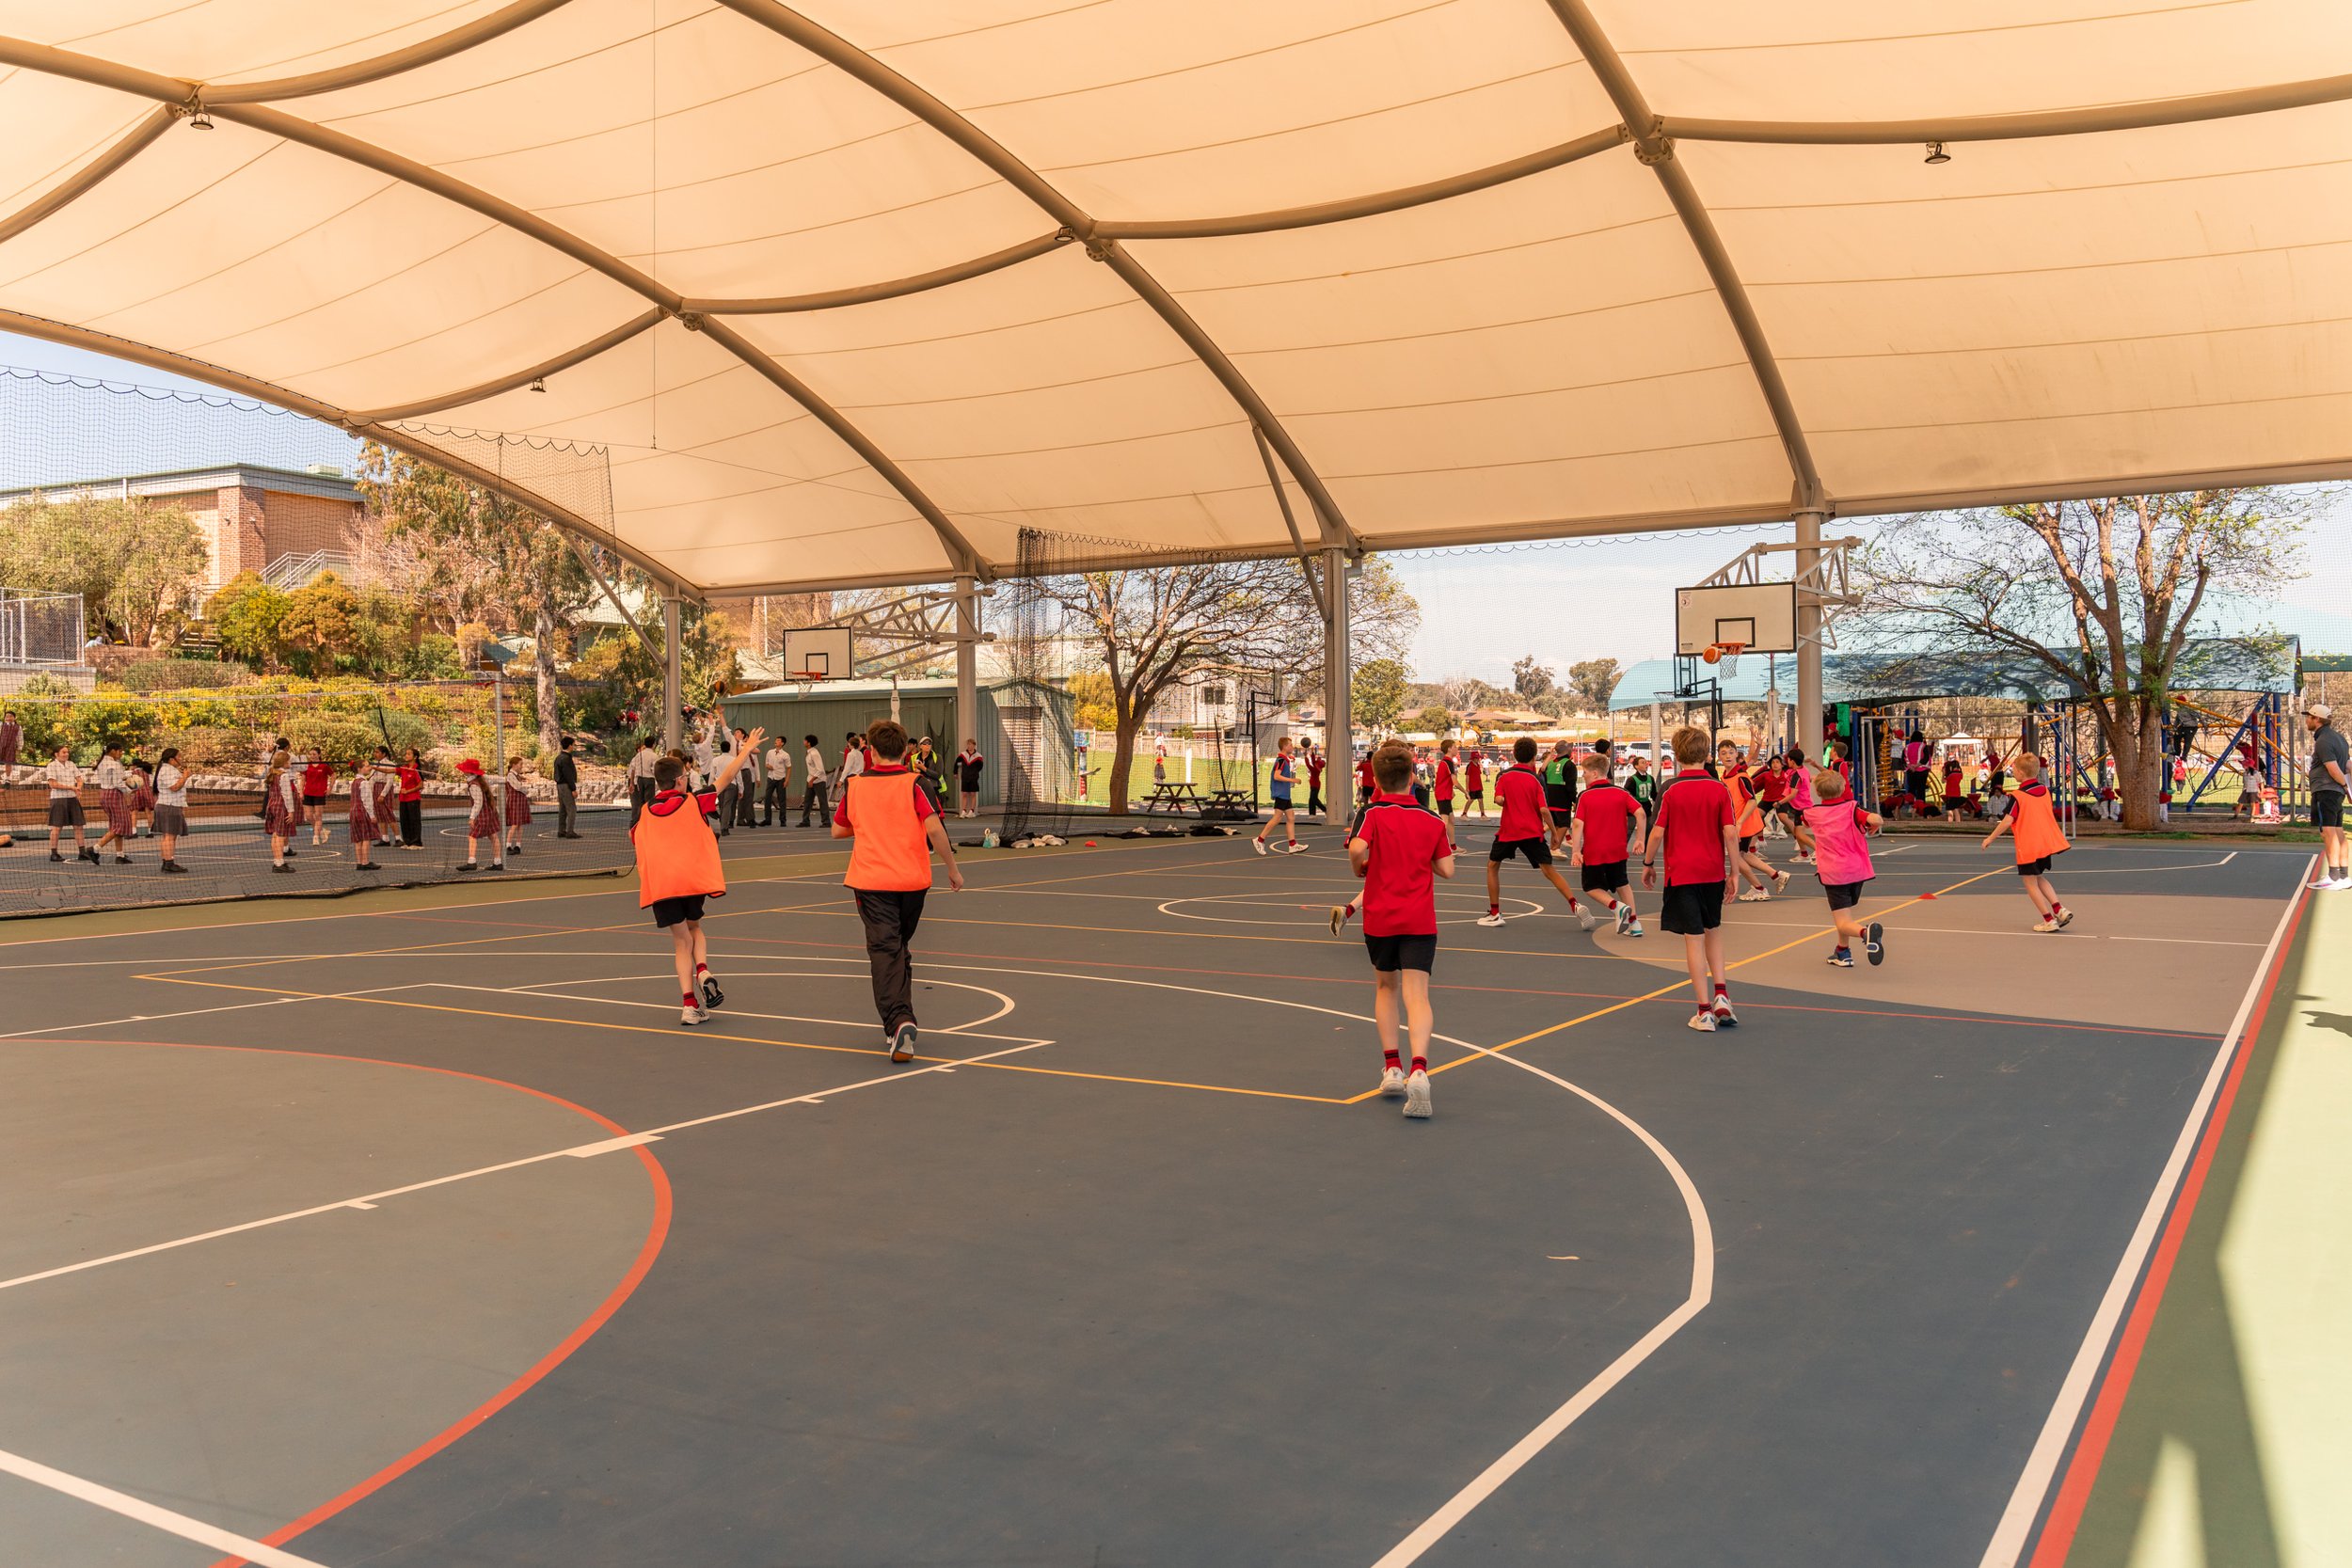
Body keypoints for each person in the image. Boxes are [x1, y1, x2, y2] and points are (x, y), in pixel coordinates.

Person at [833, 717, 964, 1061]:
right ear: (905, 751)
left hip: (872, 882)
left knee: (885, 951)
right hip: (913, 882)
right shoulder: (917, 784)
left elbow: (838, 830)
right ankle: (901, 1015)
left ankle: (898, 1021)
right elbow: (934, 830)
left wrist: (869, 826)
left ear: (871, 751)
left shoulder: (856, 785)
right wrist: (952, 869)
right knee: (898, 948)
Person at [1342, 739, 1454, 1120]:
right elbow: (1448, 869)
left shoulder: (1371, 814)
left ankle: (1392, 1068)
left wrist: (1361, 865)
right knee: (1417, 996)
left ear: (1376, 776)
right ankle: (1420, 1069)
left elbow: (1356, 849)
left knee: (1385, 988)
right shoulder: (1431, 820)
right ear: (1411, 777)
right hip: (1419, 918)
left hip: (1381, 917)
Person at [634, 726, 764, 1026]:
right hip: (691, 881)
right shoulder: (694, 800)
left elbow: (637, 839)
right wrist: (744, 749)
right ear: (681, 780)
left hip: (663, 886)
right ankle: (703, 969)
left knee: (681, 941)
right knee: (696, 928)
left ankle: (689, 1005)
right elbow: (726, 778)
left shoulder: (645, 812)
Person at [1643, 726, 1740, 1032]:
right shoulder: (1719, 789)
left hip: (1682, 874)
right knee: (1714, 931)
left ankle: (1704, 1011)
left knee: (1693, 941)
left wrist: (1648, 863)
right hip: (1712, 873)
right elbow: (1730, 833)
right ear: (1708, 754)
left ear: (1677, 754)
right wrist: (1735, 872)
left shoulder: (1670, 790)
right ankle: (1722, 995)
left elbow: (1657, 832)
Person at [1479, 735, 1592, 929]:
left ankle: (1495, 912)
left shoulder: (1505, 776)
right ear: (1534, 758)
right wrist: (1555, 834)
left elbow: (1498, 800)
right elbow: (1544, 810)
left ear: (1514, 754)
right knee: (1549, 870)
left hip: (1509, 831)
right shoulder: (1536, 780)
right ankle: (1575, 904)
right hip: (1532, 831)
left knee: (1492, 866)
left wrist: (1508, 801)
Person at [1804, 764, 1884, 967]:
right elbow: (1876, 818)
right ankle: (1843, 952)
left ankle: (1866, 934)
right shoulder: (1852, 809)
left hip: (1834, 873)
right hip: (1858, 870)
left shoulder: (1812, 813)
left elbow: (1802, 822)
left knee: (1843, 921)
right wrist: (1874, 823)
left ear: (1819, 792)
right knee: (1845, 913)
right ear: (1842, 789)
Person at [1982, 752, 2074, 929]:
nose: (2013, 772)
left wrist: (1990, 838)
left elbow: (2008, 820)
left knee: (2030, 883)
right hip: (2044, 844)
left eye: (2014, 769)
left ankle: (2048, 920)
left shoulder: (2018, 796)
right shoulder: (2045, 791)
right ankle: (2059, 908)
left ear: (2021, 773)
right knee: (2039, 877)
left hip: (2029, 846)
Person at [1568, 752, 1645, 936]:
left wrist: (1576, 851)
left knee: (1591, 887)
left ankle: (1616, 907)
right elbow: (1641, 813)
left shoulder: (1585, 796)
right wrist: (1640, 839)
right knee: (1622, 884)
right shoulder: (1621, 793)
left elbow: (1578, 824)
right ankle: (1634, 924)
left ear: (1594, 773)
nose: (1583, 775)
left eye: (1585, 772)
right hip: (1618, 849)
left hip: (1595, 850)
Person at [1720, 739, 1786, 902]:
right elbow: (1751, 757)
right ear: (1719, 757)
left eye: (1730, 752)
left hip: (1742, 823)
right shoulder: (1728, 775)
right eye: (1723, 753)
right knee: (1744, 855)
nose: (1728, 756)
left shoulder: (1741, 777)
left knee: (1736, 857)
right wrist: (1754, 742)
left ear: (1736, 754)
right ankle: (1776, 875)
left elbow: (1751, 801)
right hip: (1739, 822)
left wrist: (1740, 822)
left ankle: (1759, 888)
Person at [2306, 703, 2349, 887]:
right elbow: (2348, 766)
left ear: (2317, 719)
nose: (2307, 720)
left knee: (2328, 832)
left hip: (2326, 791)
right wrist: (2347, 789)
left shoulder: (2323, 740)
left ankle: (2333, 877)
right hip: (2335, 792)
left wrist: (2344, 786)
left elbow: (2333, 769)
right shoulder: (2340, 739)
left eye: (2309, 717)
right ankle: (2344, 876)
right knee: (2338, 832)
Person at [1254, 734, 1304, 854]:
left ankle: (1292, 844)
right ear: (1285, 747)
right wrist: (1293, 780)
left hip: (1285, 794)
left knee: (1291, 817)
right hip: (1281, 793)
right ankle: (1259, 840)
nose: (1292, 747)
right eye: (1290, 745)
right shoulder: (1281, 760)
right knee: (1277, 818)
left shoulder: (1285, 760)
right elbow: (1276, 776)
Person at [456, 758, 502, 871]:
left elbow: (478, 802)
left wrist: (472, 817)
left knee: (472, 836)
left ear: (468, 771)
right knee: (493, 835)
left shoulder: (474, 785)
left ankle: (472, 861)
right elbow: (494, 778)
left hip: (483, 814)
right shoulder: (481, 779)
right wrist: (506, 779)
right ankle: (498, 862)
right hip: (490, 812)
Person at [92, 741, 134, 864]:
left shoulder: (103, 762)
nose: (121, 754)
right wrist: (131, 790)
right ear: (113, 751)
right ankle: (94, 849)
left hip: (105, 794)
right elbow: (117, 783)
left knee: (116, 823)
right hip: (113, 794)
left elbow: (115, 779)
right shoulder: (113, 764)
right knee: (120, 825)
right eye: (120, 751)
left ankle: (119, 855)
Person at [262, 748, 299, 874]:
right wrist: (291, 811)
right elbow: (287, 795)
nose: (291, 763)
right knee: (281, 835)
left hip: (272, 806)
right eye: (289, 761)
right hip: (280, 807)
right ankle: (279, 863)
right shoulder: (283, 776)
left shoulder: (273, 774)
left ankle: (277, 862)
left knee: (275, 835)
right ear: (284, 762)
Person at [152, 747, 190, 874]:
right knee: (169, 836)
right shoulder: (167, 770)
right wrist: (185, 776)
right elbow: (174, 787)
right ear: (171, 759)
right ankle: (169, 863)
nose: (181, 759)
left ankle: (167, 862)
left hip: (169, 805)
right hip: (169, 806)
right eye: (178, 757)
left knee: (168, 836)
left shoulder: (167, 769)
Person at [1539, 739, 1578, 850]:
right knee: (1564, 824)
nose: (1572, 749)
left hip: (1550, 798)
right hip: (1562, 799)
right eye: (1570, 748)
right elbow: (1571, 785)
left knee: (1555, 825)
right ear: (1567, 750)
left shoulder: (1551, 763)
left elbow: (1543, 775)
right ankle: (1555, 849)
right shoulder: (1569, 764)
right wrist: (1574, 800)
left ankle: (1553, 847)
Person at [347, 757, 384, 871]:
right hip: (363, 812)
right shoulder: (364, 783)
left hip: (353, 812)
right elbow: (367, 801)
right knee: (366, 838)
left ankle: (359, 862)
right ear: (359, 769)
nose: (369, 768)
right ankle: (365, 862)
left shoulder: (354, 782)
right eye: (367, 766)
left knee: (358, 839)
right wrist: (372, 815)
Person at [501, 757, 534, 855]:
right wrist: (527, 791)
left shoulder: (517, 775)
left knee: (520, 824)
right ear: (514, 765)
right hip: (515, 801)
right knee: (515, 824)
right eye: (520, 764)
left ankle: (518, 845)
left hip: (520, 801)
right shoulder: (511, 775)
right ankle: (507, 846)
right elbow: (517, 787)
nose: (521, 766)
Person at [301, 751, 334, 846]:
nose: (312, 756)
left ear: (319, 755)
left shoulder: (324, 766)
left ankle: (315, 837)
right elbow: (303, 779)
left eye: (314, 754)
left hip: (320, 794)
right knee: (308, 816)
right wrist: (301, 792)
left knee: (318, 816)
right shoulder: (306, 766)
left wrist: (329, 788)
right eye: (310, 754)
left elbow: (333, 775)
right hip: (307, 793)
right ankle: (322, 831)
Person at [627, 736, 660, 826]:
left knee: (640, 803)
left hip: (639, 780)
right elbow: (655, 770)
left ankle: (638, 823)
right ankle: (648, 822)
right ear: (653, 745)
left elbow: (633, 769)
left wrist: (632, 783)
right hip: (649, 780)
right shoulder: (654, 756)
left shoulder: (639, 755)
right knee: (649, 802)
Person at [397, 747, 425, 848]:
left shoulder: (416, 769)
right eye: (406, 754)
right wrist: (375, 767)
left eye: (409, 754)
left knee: (414, 820)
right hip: (403, 799)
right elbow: (389, 770)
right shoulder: (404, 768)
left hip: (413, 799)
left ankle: (416, 842)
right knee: (404, 820)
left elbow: (421, 785)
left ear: (415, 757)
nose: (406, 755)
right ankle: (407, 841)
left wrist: (408, 791)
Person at [553, 735, 580, 839]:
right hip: (566, 785)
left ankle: (561, 830)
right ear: (569, 746)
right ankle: (570, 831)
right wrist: (573, 789)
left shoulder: (559, 757)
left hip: (559, 785)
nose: (574, 747)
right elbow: (568, 775)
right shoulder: (566, 759)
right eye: (573, 745)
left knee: (562, 809)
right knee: (571, 809)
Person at [761, 734, 792, 825]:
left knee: (781, 799)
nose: (776, 741)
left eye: (778, 740)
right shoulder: (770, 752)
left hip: (780, 778)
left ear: (782, 743)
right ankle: (767, 819)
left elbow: (789, 767)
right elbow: (766, 764)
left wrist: (787, 780)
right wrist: (768, 766)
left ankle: (783, 820)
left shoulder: (785, 755)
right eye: (776, 740)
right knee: (767, 798)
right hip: (771, 777)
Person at [736, 728, 763, 829]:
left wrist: (758, 778)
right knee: (744, 797)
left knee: (748, 797)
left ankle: (745, 818)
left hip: (750, 776)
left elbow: (756, 765)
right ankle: (747, 819)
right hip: (741, 773)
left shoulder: (749, 748)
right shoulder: (739, 746)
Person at [800, 733, 830, 826]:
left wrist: (812, 780)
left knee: (822, 801)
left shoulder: (814, 753)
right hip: (811, 779)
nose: (803, 742)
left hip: (818, 780)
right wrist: (810, 780)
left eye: (805, 740)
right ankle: (805, 821)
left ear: (808, 743)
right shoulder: (809, 752)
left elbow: (820, 769)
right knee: (808, 801)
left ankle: (826, 821)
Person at [956, 738, 984, 818]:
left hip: (974, 778)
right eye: (968, 744)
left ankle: (972, 811)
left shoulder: (978, 756)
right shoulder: (963, 754)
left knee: (972, 794)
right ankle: (964, 811)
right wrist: (955, 772)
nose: (969, 746)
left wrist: (974, 772)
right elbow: (956, 763)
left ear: (974, 745)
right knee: (964, 793)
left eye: (971, 744)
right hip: (965, 777)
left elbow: (980, 766)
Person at [1430, 736, 1457, 818]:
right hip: (1443, 795)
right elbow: (1455, 782)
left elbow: (1445, 779)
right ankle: (1438, 831)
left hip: (1445, 794)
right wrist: (1465, 792)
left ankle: (1449, 832)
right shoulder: (1447, 762)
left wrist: (1451, 790)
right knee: (1445, 819)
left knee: (1451, 819)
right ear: (1449, 749)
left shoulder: (1447, 762)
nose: (1457, 749)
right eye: (1455, 747)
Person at [1305, 740, 1327, 817]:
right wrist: (1312, 752)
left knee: (1314, 799)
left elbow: (1308, 765)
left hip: (1315, 785)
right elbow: (1313, 761)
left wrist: (1305, 757)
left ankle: (1325, 810)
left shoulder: (1316, 769)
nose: (1318, 759)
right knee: (1311, 799)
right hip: (1314, 785)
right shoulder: (1318, 766)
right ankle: (1312, 814)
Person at [1462, 744, 1486, 817]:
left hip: (1478, 786)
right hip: (1472, 786)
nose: (1478, 759)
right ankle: (1464, 814)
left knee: (1481, 800)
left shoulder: (1478, 765)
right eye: (1476, 758)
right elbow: (1467, 777)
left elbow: (1478, 776)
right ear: (1473, 758)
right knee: (1470, 800)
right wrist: (1467, 788)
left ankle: (1482, 814)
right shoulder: (1470, 766)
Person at [0, 706, 20, 784]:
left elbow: (19, 738)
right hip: (1, 745)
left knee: (8, 763)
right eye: (7, 716)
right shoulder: (1, 725)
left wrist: (19, 748)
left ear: (14, 718)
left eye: (10, 716)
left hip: (11, 747)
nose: (8, 718)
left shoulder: (18, 727)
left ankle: (8, 779)